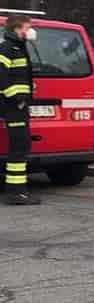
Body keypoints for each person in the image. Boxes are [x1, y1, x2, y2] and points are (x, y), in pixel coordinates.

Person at [1, 14, 39, 206]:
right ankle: (15, 192)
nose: (29, 31)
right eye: (26, 27)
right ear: (17, 28)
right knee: (19, 146)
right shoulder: (8, 48)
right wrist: (15, 97)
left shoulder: (18, 47)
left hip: (19, 105)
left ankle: (17, 190)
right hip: (14, 106)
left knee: (21, 146)